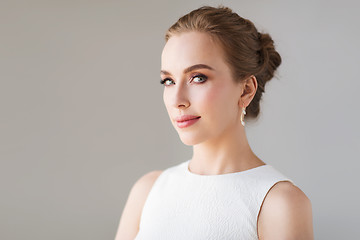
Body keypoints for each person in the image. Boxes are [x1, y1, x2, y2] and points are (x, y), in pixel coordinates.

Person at [115, 5, 313, 240]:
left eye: (198, 78)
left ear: (246, 89)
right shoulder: (148, 190)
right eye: (168, 81)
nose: (177, 100)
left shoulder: (278, 203)